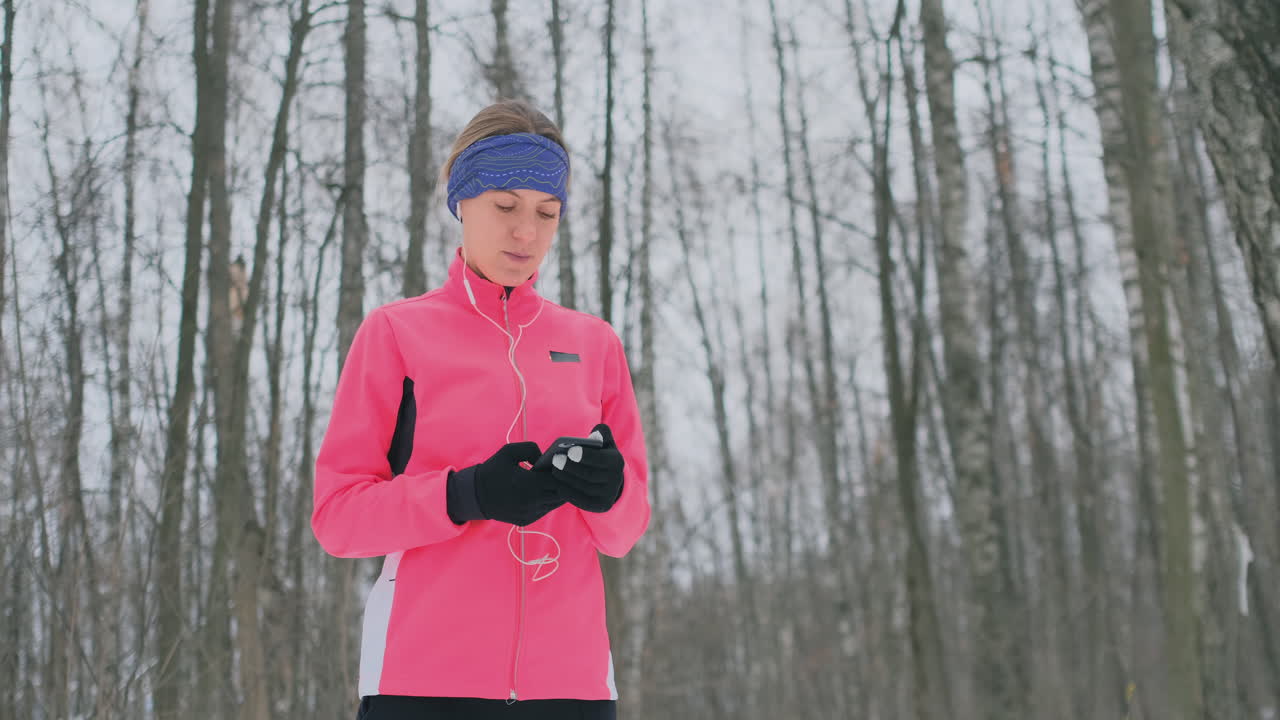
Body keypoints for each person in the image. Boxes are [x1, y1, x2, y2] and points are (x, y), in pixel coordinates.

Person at [311, 100, 650, 720]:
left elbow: (626, 531)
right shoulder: (397, 334)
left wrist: (609, 493)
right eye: (505, 206)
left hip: (570, 689)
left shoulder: (594, 343)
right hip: (423, 683)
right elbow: (338, 518)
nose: (527, 233)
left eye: (546, 213)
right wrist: (464, 495)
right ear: (461, 202)